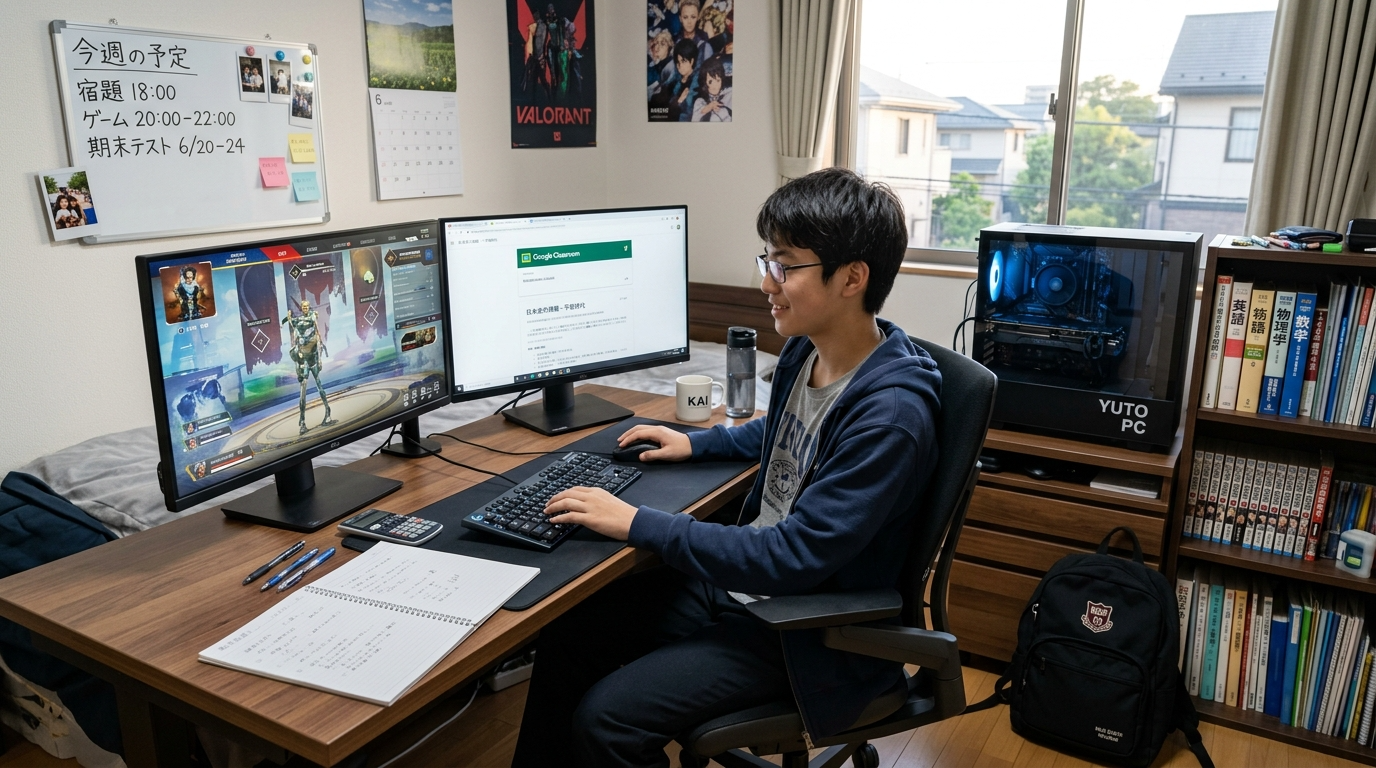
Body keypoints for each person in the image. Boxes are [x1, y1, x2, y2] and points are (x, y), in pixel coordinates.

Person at [511, 168, 942, 768]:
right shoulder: (810, 350)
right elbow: (791, 430)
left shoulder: (890, 417)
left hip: (804, 630)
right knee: (570, 632)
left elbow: (793, 556)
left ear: (852, 277)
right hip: (747, 590)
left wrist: (637, 522)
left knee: (607, 723)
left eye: (785, 267)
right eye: (767, 260)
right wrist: (701, 444)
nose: (766, 282)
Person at [692, 56, 731, 122]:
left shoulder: (729, 95)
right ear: (705, 82)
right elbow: (694, 120)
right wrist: (708, 107)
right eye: (710, 81)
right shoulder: (700, 101)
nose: (715, 85)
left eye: (718, 80)